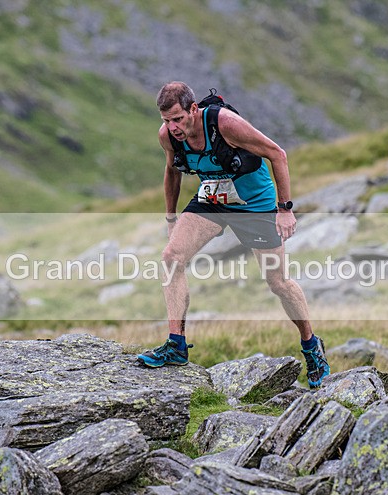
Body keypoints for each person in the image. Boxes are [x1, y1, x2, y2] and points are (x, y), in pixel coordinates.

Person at [137, 81, 330, 389]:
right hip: (213, 200)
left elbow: (277, 154)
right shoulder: (168, 137)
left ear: (193, 109)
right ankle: (176, 344)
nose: (172, 127)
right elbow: (172, 171)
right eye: (166, 121)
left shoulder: (224, 124)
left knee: (277, 283)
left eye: (177, 119)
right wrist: (171, 217)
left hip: (256, 205)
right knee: (171, 257)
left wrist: (285, 209)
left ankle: (311, 346)